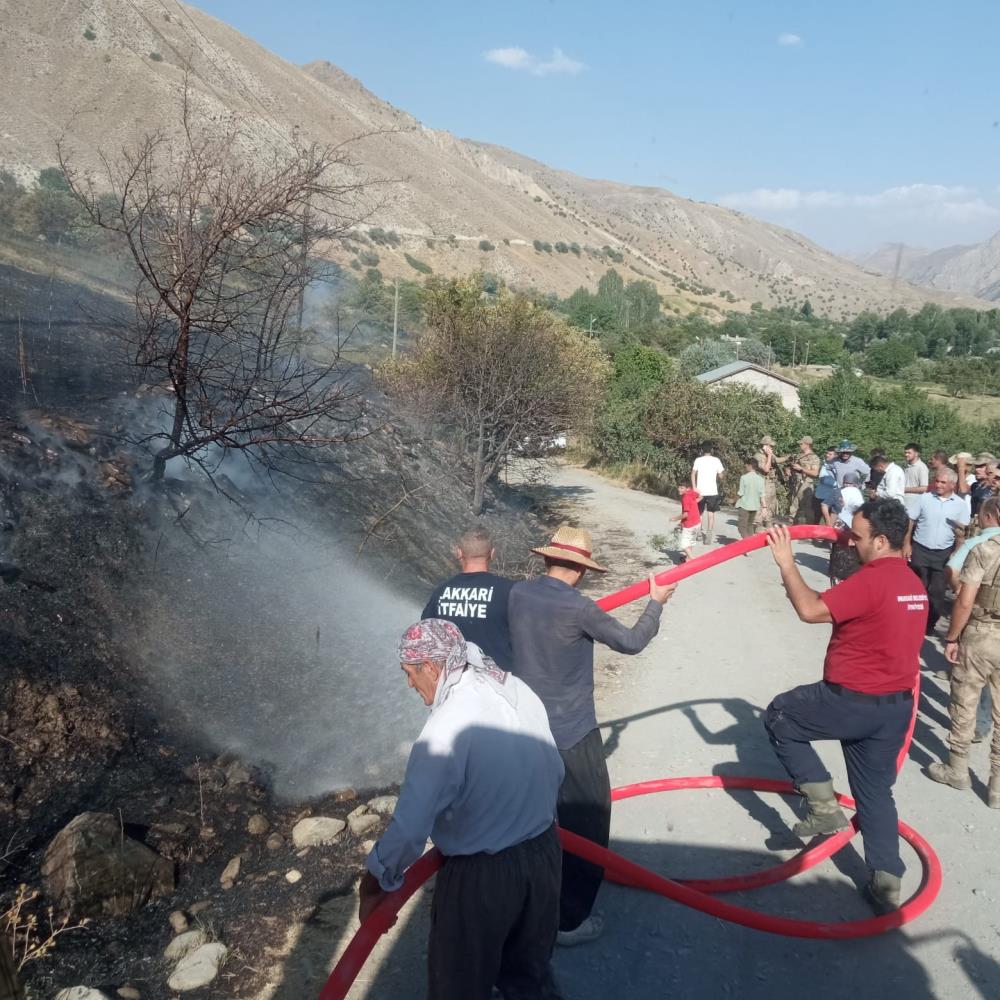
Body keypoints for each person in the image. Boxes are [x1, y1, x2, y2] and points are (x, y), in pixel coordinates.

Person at [361, 619, 565, 1000]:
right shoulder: (515, 688)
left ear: (432, 668)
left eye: (410, 674)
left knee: (458, 986)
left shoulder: (445, 728)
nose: (409, 684)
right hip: (544, 856)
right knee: (529, 978)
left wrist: (372, 883)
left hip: (483, 878)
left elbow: (409, 830)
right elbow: (555, 770)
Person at [508, 525, 676, 945]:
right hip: (571, 732)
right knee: (588, 822)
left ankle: (524, 899)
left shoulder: (518, 594)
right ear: (582, 571)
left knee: (533, 819)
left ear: (546, 558)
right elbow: (632, 642)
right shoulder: (580, 609)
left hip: (525, 728)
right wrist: (655, 603)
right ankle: (568, 921)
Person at [763, 500, 927, 914]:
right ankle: (887, 883)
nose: (850, 543)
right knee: (875, 792)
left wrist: (786, 563)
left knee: (782, 715)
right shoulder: (912, 583)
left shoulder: (873, 580)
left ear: (882, 540)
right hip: (894, 708)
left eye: (857, 536)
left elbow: (810, 609)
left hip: (852, 699)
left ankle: (823, 809)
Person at [927, 504, 1000, 810]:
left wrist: (952, 637)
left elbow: (965, 600)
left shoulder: (984, 550)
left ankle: (957, 769)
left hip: (983, 633)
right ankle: (996, 787)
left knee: (965, 700)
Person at [423, 525, 514, 668]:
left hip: (455, 682)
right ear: (492, 553)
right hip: (501, 684)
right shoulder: (510, 591)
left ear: (459, 552)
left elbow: (427, 635)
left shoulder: (440, 592)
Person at [906, 467, 971, 635]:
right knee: (917, 588)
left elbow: (961, 534)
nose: (938, 485)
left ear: (952, 484)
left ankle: (929, 624)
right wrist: (906, 544)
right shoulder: (924, 499)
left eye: (943, 482)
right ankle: (911, 620)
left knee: (937, 591)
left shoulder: (960, 505)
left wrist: (956, 555)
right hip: (920, 548)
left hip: (943, 554)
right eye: (937, 481)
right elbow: (911, 521)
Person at [828, 472, 865, 585]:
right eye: (846, 483)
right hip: (850, 530)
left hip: (843, 529)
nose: (848, 486)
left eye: (849, 483)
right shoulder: (856, 495)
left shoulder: (861, 520)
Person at [691, 443, 724, 544]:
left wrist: (694, 487)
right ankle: (709, 534)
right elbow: (721, 476)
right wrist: (719, 476)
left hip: (700, 491)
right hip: (712, 491)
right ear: (712, 450)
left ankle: (699, 532)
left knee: (699, 513)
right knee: (711, 513)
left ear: (702, 450)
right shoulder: (716, 460)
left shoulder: (698, 460)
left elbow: (693, 474)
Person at [788, 436, 821, 524]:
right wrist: (789, 470)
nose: (800, 445)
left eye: (801, 444)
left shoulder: (814, 458)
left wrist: (801, 469)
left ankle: (808, 531)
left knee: (807, 510)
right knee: (793, 509)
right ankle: (792, 529)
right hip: (796, 484)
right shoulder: (799, 456)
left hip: (806, 485)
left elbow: (815, 473)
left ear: (807, 445)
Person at [753, 435, 781, 528]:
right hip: (763, 482)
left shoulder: (769, 455)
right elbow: (766, 469)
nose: (772, 448)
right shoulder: (758, 456)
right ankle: (758, 523)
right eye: (770, 446)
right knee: (762, 502)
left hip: (770, 482)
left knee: (771, 503)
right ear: (765, 446)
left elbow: (777, 460)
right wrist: (769, 455)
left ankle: (768, 521)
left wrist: (788, 457)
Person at [736, 457, 765, 541]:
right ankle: (751, 543)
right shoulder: (760, 479)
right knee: (750, 525)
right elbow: (762, 494)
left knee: (741, 527)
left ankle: (747, 542)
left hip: (745, 505)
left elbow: (741, 493)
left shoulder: (744, 477)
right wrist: (764, 507)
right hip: (755, 506)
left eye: (746, 465)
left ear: (750, 466)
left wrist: (734, 500)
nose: (745, 466)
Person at [813, 446, 842, 528]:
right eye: (827, 453)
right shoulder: (825, 463)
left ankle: (829, 537)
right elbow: (821, 477)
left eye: (830, 454)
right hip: (819, 495)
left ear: (836, 455)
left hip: (831, 497)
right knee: (816, 518)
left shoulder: (839, 466)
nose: (827, 455)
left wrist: (827, 481)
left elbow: (837, 483)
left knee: (830, 520)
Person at [902, 443, 930, 519]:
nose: (906, 455)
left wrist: (904, 489)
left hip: (914, 506)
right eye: (905, 452)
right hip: (905, 504)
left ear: (917, 454)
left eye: (909, 453)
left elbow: (924, 488)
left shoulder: (921, 467)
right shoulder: (907, 467)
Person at [676, 484, 701, 562]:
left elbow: (685, 514)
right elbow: (701, 496)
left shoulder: (685, 498)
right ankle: (687, 559)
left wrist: (674, 518)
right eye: (679, 487)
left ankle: (693, 560)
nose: (679, 489)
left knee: (684, 545)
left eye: (682, 488)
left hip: (690, 525)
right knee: (690, 541)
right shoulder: (691, 492)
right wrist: (693, 504)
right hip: (697, 523)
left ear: (687, 488)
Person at [971, 453, 997, 519]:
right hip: (975, 524)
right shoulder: (975, 486)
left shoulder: (996, 488)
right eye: (976, 466)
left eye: (981, 466)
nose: (977, 469)